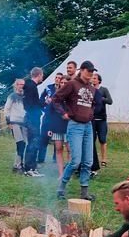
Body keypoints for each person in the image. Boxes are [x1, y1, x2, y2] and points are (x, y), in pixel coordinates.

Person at [53, 61, 97, 201]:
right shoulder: (72, 84)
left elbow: (93, 104)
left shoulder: (92, 88)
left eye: (92, 71)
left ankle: (84, 192)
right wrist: (63, 113)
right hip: (75, 125)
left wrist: (90, 114)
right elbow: (56, 99)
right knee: (75, 160)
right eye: (88, 70)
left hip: (88, 126)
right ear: (81, 70)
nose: (90, 73)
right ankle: (61, 188)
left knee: (88, 161)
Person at [44, 76, 70, 178]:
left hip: (68, 126)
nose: (63, 85)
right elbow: (50, 112)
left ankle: (68, 173)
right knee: (59, 150)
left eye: (65, 83)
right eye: (61, 83)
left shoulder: (72, 97)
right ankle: (61, 174)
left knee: (70, 150)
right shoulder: (56, 96)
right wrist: (49, 128)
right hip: (56, 126)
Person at [21, 67, 46, 177]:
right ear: (39, 75)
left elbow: (33, 103)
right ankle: (29, 168)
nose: (42, 78)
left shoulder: (29, 85)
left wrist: (44, 103)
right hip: (32, 118)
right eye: (42, 75)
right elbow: (33, 105)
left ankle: (32, 167)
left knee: (34, 142)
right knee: (33, 142)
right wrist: (42, 106)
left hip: (31, 117)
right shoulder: (32, 86)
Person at [38, 73, 62, 163]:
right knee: (44, 137)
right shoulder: (48, 87)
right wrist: (44, 106)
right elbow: (41, 99)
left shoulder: (63, 90)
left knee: (57, 138)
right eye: (56, 77)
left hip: (57, 117)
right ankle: (41, 158)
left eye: (59, 78)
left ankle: (55, 159)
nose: (57, 79)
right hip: (47, 115)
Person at [4, 79, 27, 173]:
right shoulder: (12, 96)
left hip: (24, 123)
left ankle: (19, 163)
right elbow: (7, 109)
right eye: (20, 84)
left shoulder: (26, 96)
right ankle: (17, 165)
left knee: (24, 143)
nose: (22, 86)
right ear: (16, 85)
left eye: (23, 84)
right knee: (20, 143)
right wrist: (8, 122)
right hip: (15, 122)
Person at [91, 72, 112, 168]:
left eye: (95, 78)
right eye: (92, 78)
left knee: (102, 139)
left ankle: (104, 159)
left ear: (99, 80)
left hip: (101, 118)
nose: (93, 79)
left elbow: (110, 101)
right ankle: (92, 159)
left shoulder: (104, 90)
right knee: (91, 140)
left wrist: (100, 98)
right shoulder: (89, 89)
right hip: (91, 118)